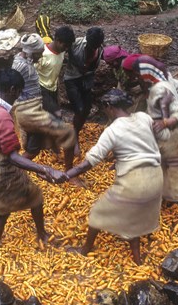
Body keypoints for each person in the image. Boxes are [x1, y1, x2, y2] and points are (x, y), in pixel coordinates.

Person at [65, 89, 167, 265]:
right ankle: (137, 261)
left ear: (109, 106)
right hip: (155, 177)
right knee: (133, 216)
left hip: (135, 181)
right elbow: (152, 139)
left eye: (104, 109)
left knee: (97, 213)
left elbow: (91, 161)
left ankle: (84, 250)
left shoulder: (112, 131)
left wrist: (67, 174)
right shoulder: (144, 117)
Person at [0, 68, 68, 246]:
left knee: (2, 208)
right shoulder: (1, 116)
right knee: (36, 197)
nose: (16, 98)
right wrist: (46, 169)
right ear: (13, 90)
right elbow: (13, 157)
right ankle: (42, 235)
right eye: (17, 93)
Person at [124, 55, 178, 203]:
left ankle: (174, 210)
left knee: (172, 172)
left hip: (176, 134)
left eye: (137, 75)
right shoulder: (156, 83)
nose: (136, 79)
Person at [11, 34, 78, 178]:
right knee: (69, 134)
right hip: (29, 112)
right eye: (39, 53)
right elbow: (11, 89)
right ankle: (70, 174)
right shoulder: (20, 66)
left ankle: (11, 175)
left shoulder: (25, 61)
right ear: (31, 53)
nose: (41, 55)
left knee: (33, 150)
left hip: (35, 108)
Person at [63, 27, 105, 152]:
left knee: (86, 109)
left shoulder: (100, 49)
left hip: (87, 78)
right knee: (79, 109)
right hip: (72, 78)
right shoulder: (76, 44)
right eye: (91, 45)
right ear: (87, 40)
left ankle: (75, 130)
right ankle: (74, 136)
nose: (92, 48)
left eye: (95, 46)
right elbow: (64, 48)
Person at [35, 26, 75, 117]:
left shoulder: (62, 51)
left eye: (68, 47)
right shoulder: (43, 55)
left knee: (50, 115)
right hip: (42, 88)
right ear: (57, 40)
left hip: (53, 88)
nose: (66, 49)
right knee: (57, 114)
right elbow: (33, 72)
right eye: (65, 46)